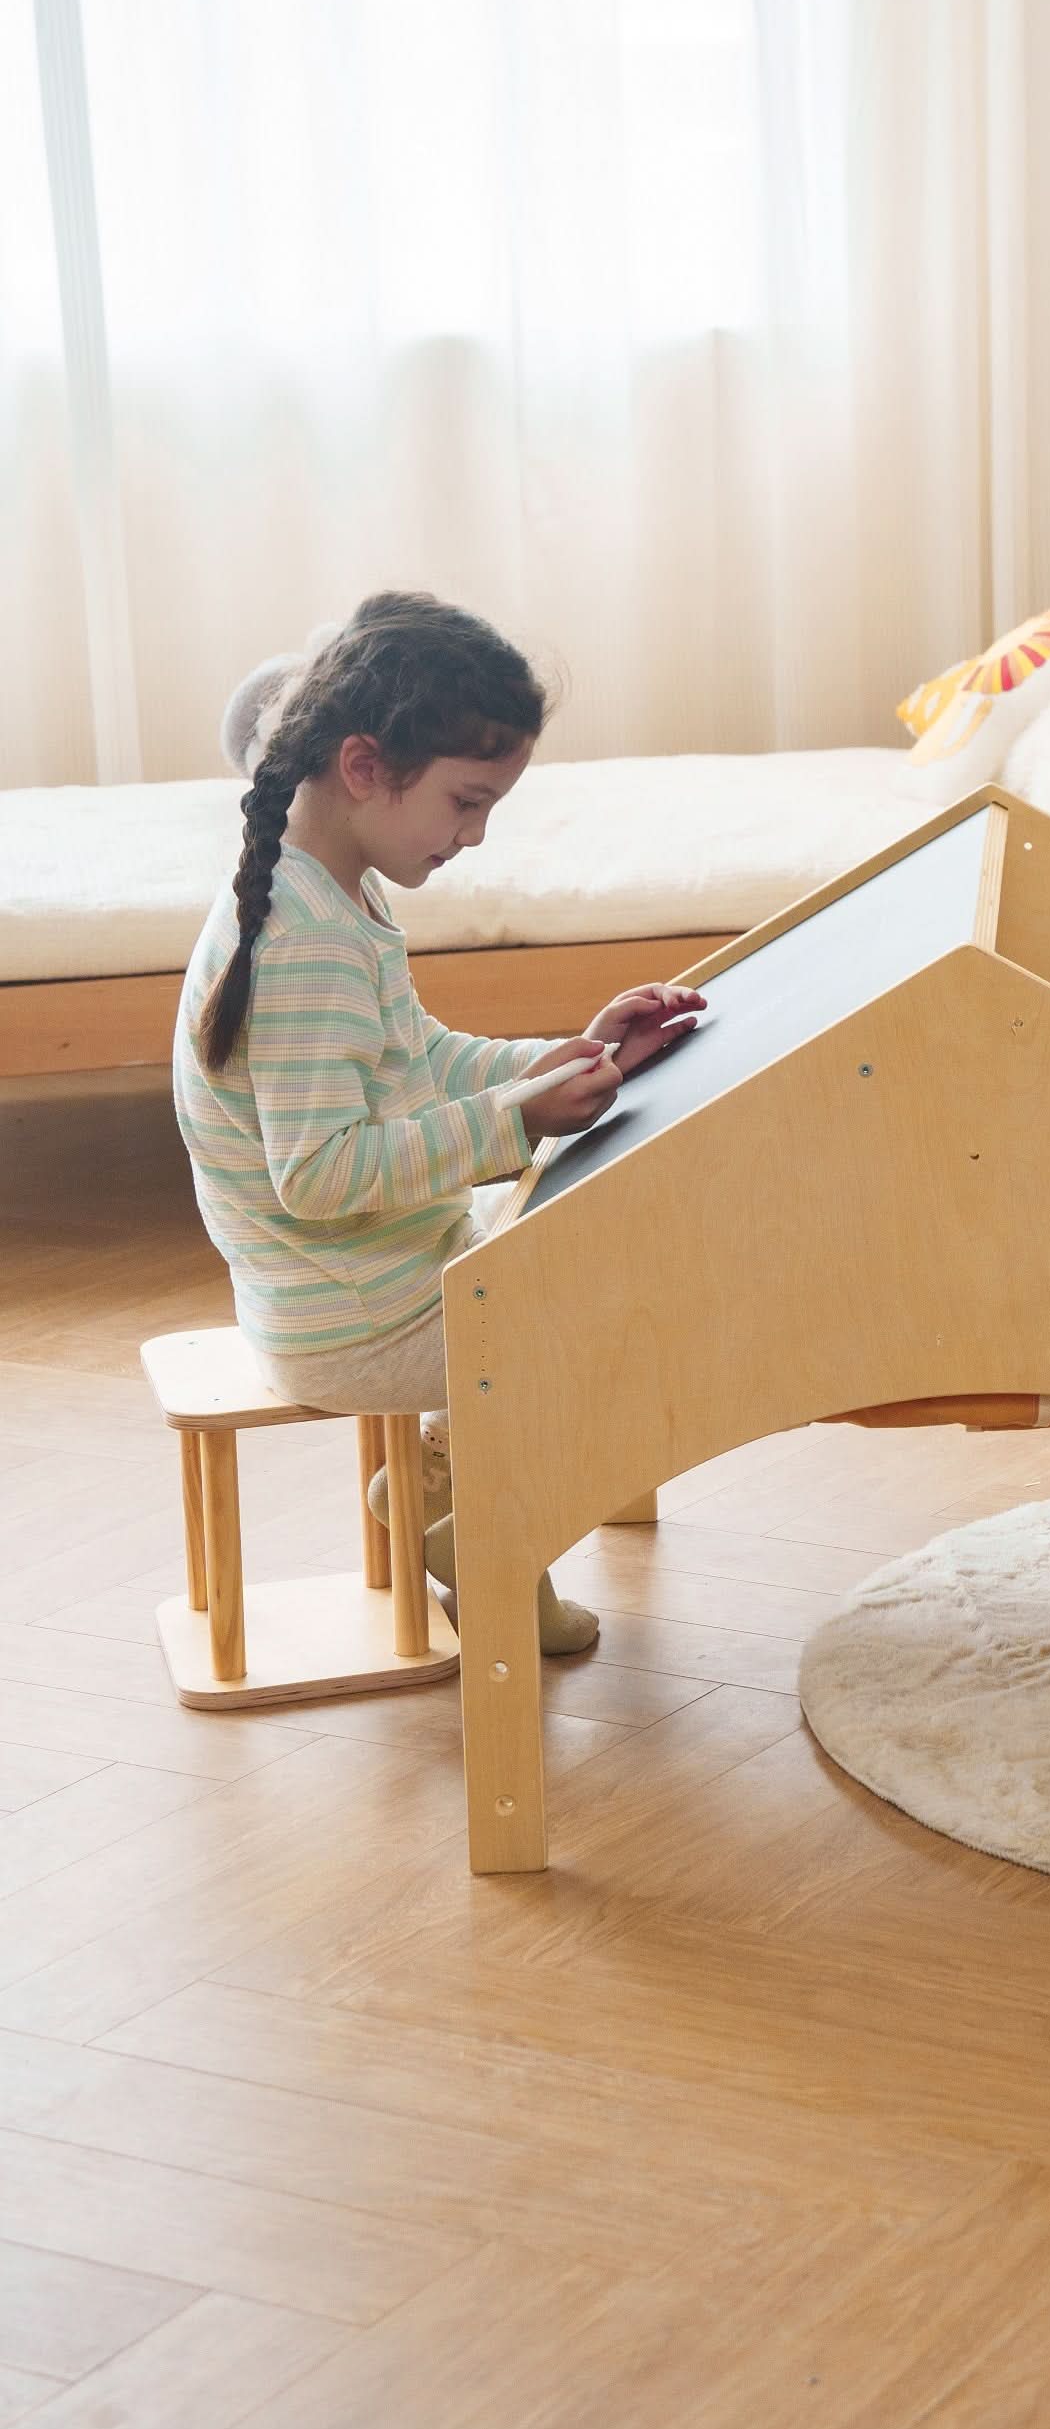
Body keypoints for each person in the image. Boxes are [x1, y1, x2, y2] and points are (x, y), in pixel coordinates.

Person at [175, 593, 704, 1654]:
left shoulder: (331, 893)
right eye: (467, 803)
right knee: (615, 1327)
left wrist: (563, 1057)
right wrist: (515, 1123)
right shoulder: (307, 942)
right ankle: (478, 1530)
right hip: (352, 1319)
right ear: (365, 767)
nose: (474, 836)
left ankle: (434, 1481)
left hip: (372, 1280)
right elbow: (318, 1175)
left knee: (588, 1265)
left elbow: (415, 1061)